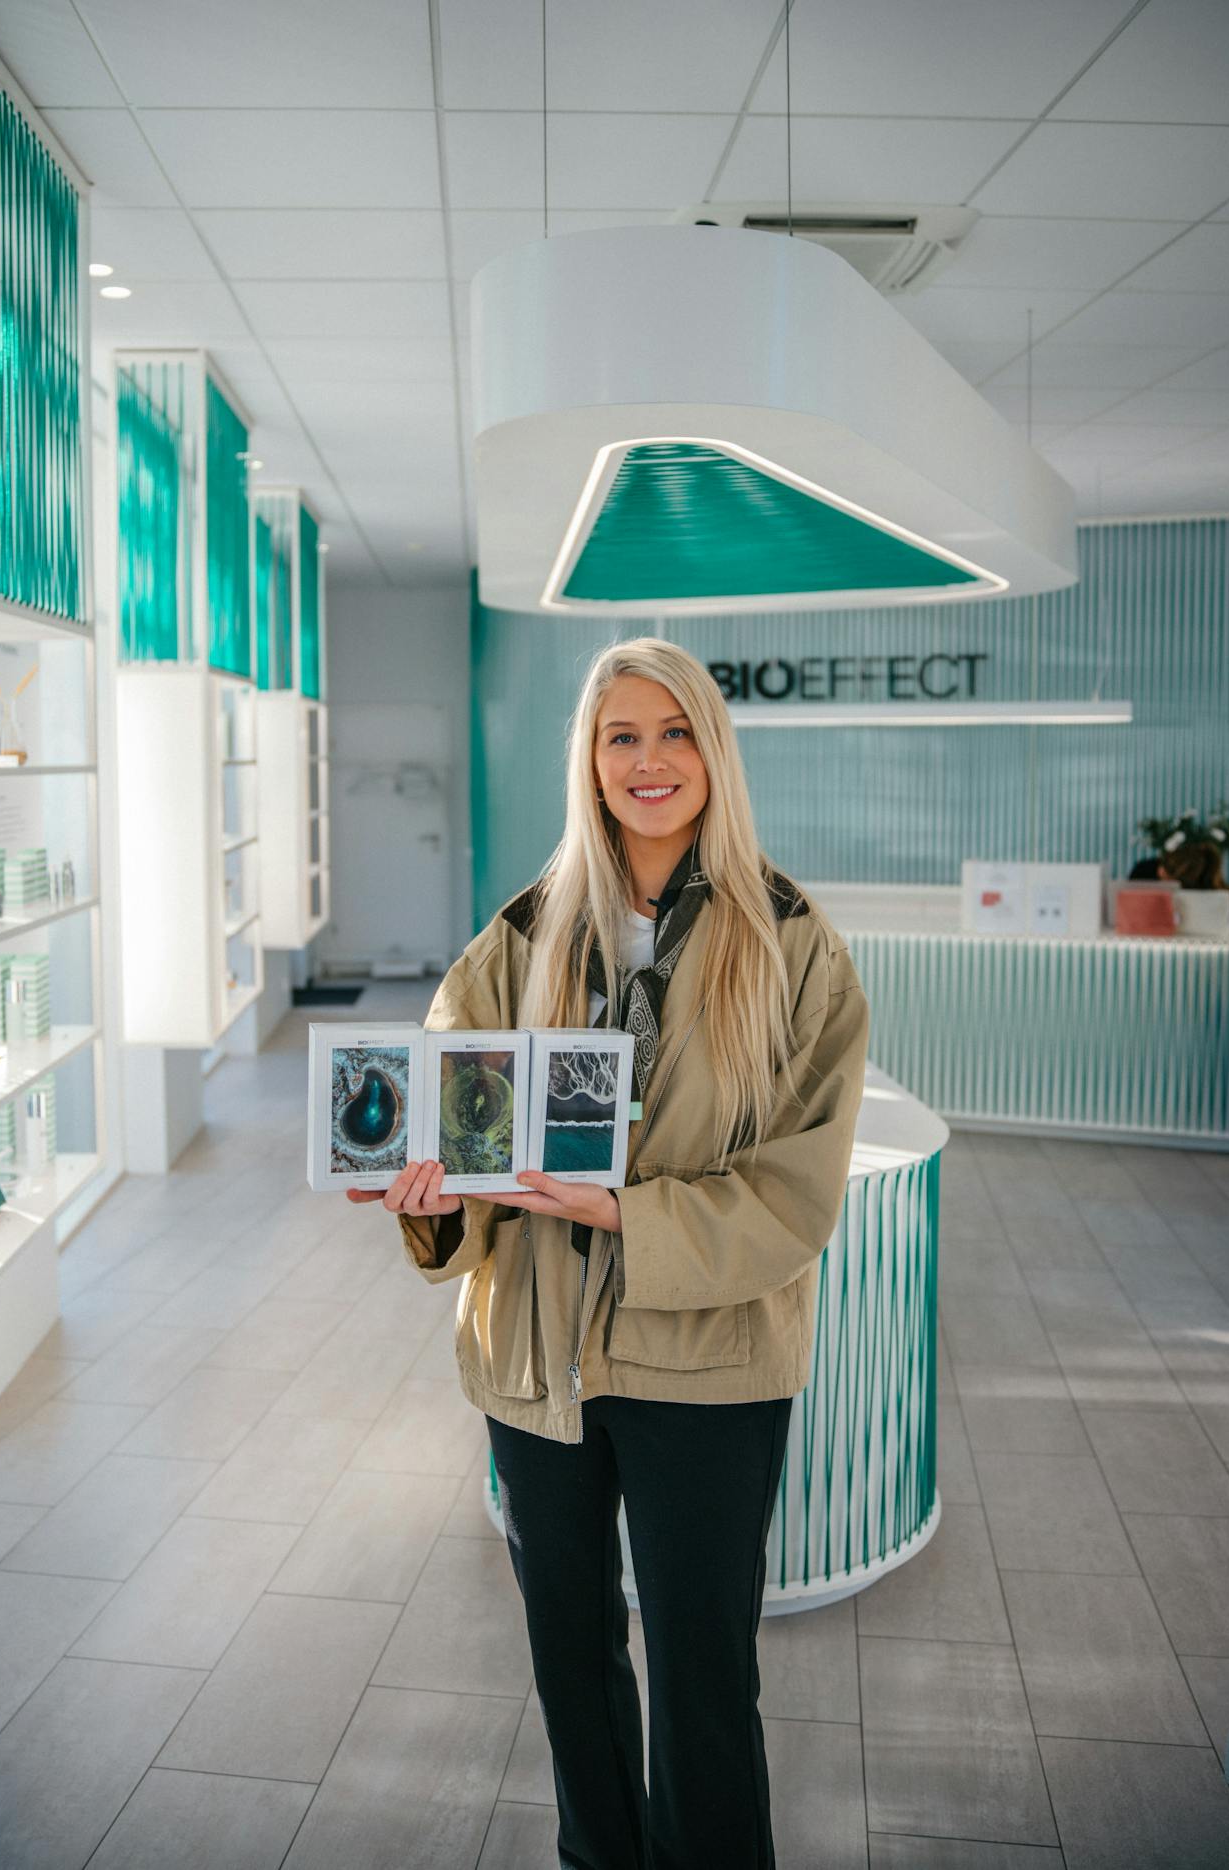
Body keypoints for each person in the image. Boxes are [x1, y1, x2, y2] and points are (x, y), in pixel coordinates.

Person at [347, 636, 869, 1870]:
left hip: (706, 1366)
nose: (649, 760)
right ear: (587, 758)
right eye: (620, 735)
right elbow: (454, 1126)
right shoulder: (517, 938)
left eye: (675, 732)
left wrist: (628, 1214)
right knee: (571, 1669)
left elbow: (797, 1191)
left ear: (712, 753)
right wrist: (423, 1191)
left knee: (701, 1679)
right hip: (536, 1368)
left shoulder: (791, 944)